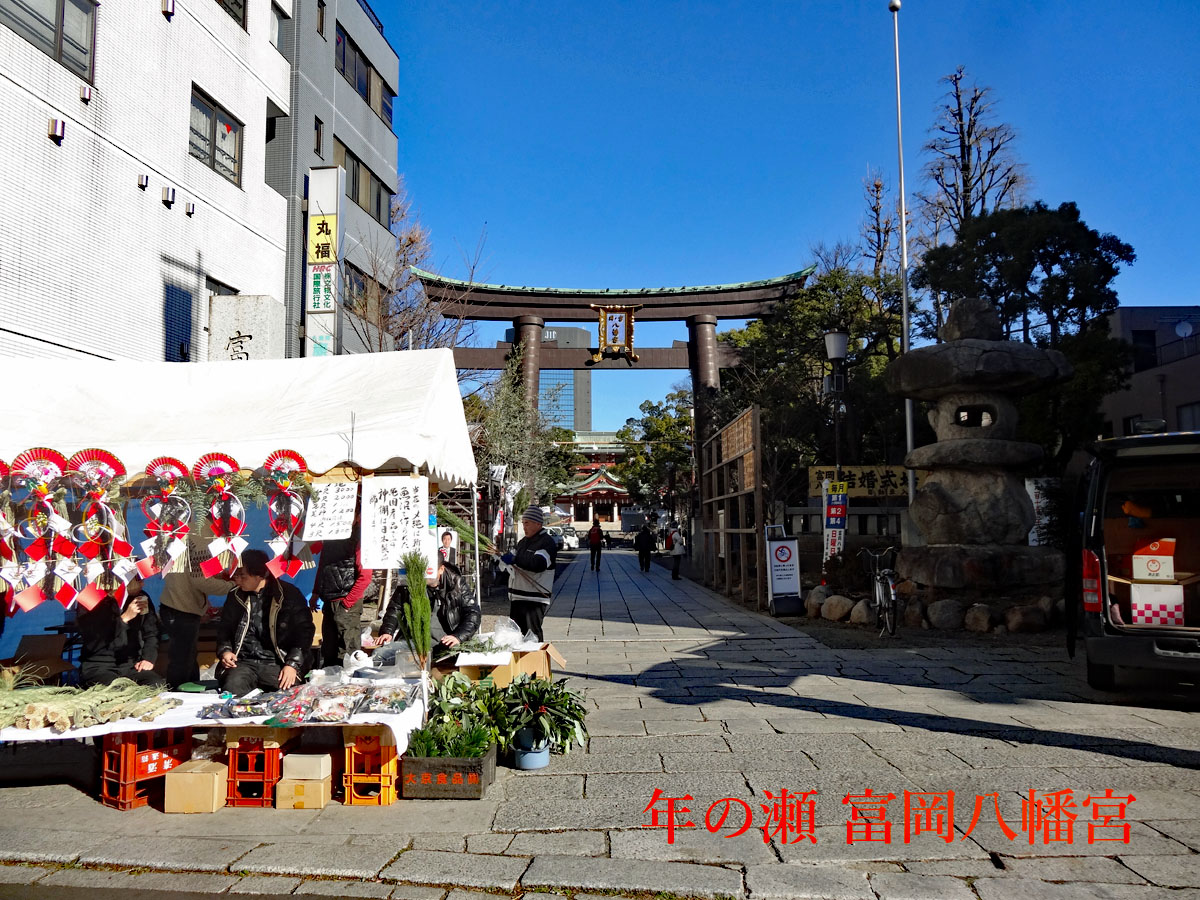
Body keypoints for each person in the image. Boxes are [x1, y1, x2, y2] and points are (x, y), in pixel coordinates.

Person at [216, 549, 314, 697]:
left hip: (277, 662)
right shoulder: (235, 595)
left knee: (288, 696)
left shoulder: (288, 595)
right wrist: (225, 651)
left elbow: (304, 631)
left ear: (259, 575)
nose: (237, 580)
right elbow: (225, 628)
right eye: (236, 575)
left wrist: (292, 665)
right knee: (231, 690)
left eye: (242, 576)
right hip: (243, 662)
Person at [158, 535, 235, 688]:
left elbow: (202, 572)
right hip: (180, 607)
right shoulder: (201, 538)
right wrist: (234, 585)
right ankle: (178, 696)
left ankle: (188, 693)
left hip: (180, 605)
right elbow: (202, 580)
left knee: (187, 657)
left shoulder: (194, 532)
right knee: (183, 660)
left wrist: (222, 576)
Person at [77, 575, 166, 688]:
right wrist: (123, 619)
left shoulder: (140, 597)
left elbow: (151, 632)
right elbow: (93, 641)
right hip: (99, 666)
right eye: (139, 580)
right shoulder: (91, 598)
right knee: (117, 690)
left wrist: (148, 658)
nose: (143, 584)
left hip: (130, 665)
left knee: (156, 684)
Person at [377, 559, 480, 651]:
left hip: (445, 642)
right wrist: (387, 631)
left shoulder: (456, 584)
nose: (425, 575)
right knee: (381, 653)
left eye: (429, 571)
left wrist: (458, 636)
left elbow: (473, 613)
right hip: (415, 641)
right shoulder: (409, 583)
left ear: (441, 569)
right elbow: (395, 608)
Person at [311, 524, 373, 667]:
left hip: (347, 602)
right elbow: (323, 567)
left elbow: (366, 576)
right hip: (329, 600)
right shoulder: (329, 538)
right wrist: (316, 592)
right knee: (329, 649)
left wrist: (348, 602)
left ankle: (353, 686)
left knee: (349, 652)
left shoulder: (359, 540)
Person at [501, 505, 557, 641]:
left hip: (534, 599)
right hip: (517, 597)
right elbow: (515, 560)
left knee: (532, 636)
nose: (524, 527)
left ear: (538, 523)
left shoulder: (546, 542)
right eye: (523, 523)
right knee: (517, 637)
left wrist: (515, 559)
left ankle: (537, 661)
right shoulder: (523, 542)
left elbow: (538, 564)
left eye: (527, 523)